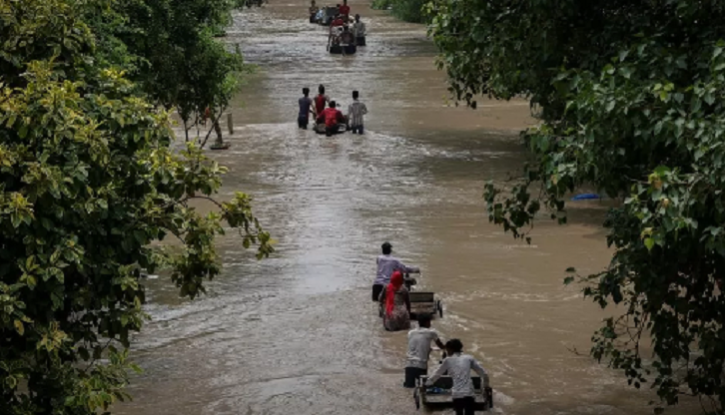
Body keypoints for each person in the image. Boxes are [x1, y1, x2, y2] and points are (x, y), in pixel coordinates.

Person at [426, 339, 490, 415]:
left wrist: (427, 383)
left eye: (447, 350)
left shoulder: (447, 360)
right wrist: (486, 385)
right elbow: (484, 373)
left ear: (450, 349)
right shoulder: (469, 358)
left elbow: (437, 374)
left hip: (457, 394)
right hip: (469, 393)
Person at [405, 314, 445, 388]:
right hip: (421, 366)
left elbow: (417, 345)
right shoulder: (431, 333)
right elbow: (441, 346)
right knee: (423, 388)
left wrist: (430, 349)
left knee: (409, 387)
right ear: (427, 322)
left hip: (409, 365)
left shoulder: (411, 333)